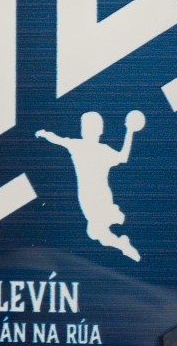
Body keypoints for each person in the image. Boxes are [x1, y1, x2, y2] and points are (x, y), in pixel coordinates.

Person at [37, 111, 144, 262]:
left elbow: (123, 157)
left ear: (100, 130)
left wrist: (130, 131)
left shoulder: (101, 150)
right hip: (86, 199)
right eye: (85, 126)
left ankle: (123, 242)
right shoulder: (77, 145)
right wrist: (45, 134)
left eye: (91, 126)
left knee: (98, 232)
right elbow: (57, 139)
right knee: (96, 234)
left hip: (100, 197)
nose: (87, 129)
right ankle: (123, 243)